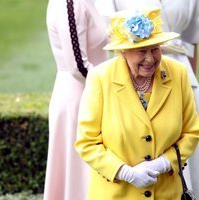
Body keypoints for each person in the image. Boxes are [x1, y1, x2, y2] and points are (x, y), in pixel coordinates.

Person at [75, 9, 199, 199]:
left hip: (167, 194)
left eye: (155, 49)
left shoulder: (178, 73)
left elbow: (192, 132)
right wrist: (125, 172)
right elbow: (87, 142)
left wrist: (165, 163)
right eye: (142, 51)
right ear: (123, 52)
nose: (150, 58)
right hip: (116, 195)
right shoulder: (101, 78)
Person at [43, 0, 108, 199]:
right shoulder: (69, 4)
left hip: (90, 92)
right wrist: (113, 84)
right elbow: (78, 65)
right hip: (80, 98)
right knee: (80, 173)